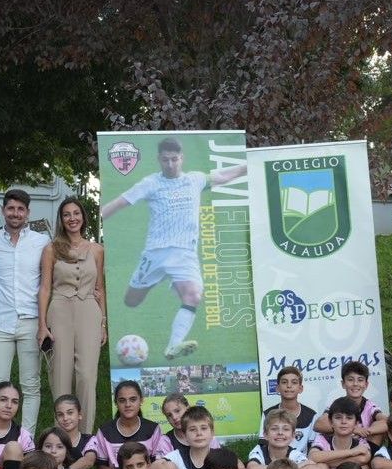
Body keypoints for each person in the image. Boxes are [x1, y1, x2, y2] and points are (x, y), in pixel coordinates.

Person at [101, 137, 247, 360]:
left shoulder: (195, 180)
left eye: (175, 159)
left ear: (182, 158)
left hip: (184, 254)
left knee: (193, 295)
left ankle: (173, 345)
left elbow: (224, 175)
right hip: (155, 254)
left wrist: (249, 165)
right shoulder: (150, 183)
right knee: (131, 301)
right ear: (159, 159)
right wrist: (90, 224)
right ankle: (161, 279)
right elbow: (119, 203)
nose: (170, 164)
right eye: (166, 160)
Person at [0, 189, 50, 432]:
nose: (15, 213)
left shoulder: (41, 242)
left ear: (28, 213)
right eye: (11, 208)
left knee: (31, 384)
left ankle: (27, 439)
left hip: (31, 322)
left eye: (20, 209)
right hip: (0, 322)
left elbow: (47, 280)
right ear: (3, 211)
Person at [39, 197, 105, 432]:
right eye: (66, 214)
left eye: (76, 213)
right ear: (61, 220)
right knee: (60, 376)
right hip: (59, 310)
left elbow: (100, 288)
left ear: (83, 217)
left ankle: (85, 436)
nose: (72, 218)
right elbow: (45, 288)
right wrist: (42, 325)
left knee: (87, 376)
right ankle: (60, 439)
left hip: (89, 310)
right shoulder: (51, 249)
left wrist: (103, 323)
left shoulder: (97, 250)